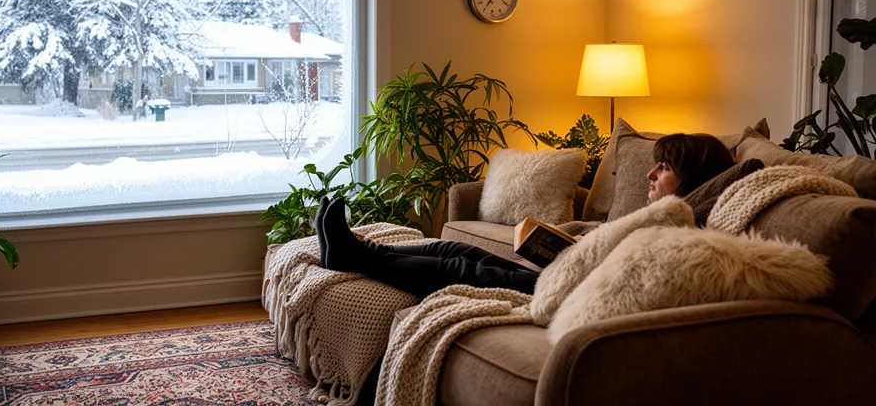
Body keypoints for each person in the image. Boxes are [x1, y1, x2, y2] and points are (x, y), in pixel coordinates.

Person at [315, 133, 736, 299]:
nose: (651, 173)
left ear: (693, 176)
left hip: (574, 290)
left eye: (664, 167)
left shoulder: (683, 224)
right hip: (572, 270)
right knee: (457, 246)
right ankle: (360, 248)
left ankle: (356, 256)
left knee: (464, 268)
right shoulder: (663, 213)